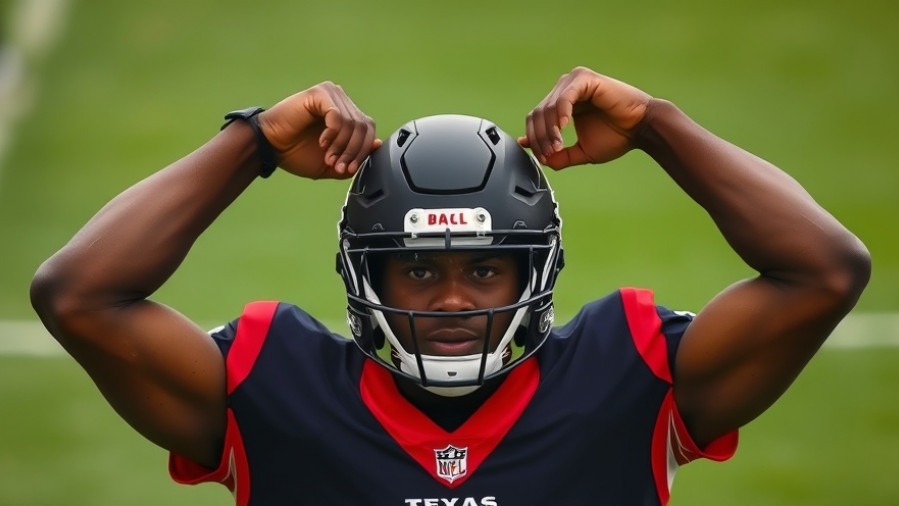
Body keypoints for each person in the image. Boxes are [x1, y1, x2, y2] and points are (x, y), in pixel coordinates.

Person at [30, 66, 870, 505]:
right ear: (365, 273)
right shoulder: (268, 383)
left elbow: (825, 270)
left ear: (534, 268)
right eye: (419, 269)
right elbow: (78, 295)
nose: (455, 301)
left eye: (484, 267)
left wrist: (659, 124)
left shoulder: (631, 372)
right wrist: (248, 143)